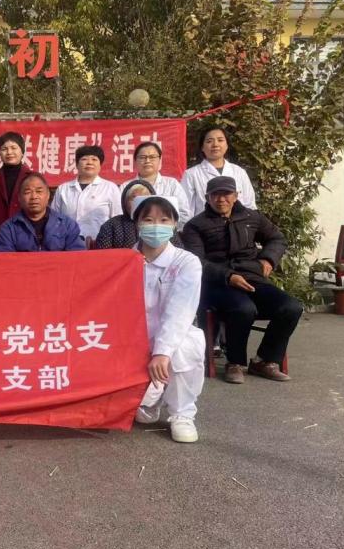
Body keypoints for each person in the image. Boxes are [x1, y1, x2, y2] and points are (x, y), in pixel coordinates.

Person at [181, 176, 302, 384]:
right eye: (215, 195)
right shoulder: (195, 225)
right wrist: (228, 276)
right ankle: (235, 363)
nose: (221, 199)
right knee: (243, 309)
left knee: (291, 307)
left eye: (226, 194)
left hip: (253, 278)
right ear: (207, 198)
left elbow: (277, 238)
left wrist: (268, 259)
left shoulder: (251, 217)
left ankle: (265, 361)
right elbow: (196, 261)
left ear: (236, 196)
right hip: (217, 284)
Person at [129, 196, 204, 443]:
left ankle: (182, 413)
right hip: (133, 337)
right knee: (141, 411)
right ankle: (150, 399)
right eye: (148, 219)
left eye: (163, 220)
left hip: (172, 336)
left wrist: (162, 351)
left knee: (184, 347)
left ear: (174, 224)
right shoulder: (123, 260)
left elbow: (180, 311)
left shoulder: (186, 262)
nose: (155, 226)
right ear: (137, 223)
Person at [0, 173, 85, 252]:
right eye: (28, 192)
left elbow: (77, 258)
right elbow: (5, 262)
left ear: (48, 195)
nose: (34, 197)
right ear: (19, 198)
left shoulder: (67, 225)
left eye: (39, 191)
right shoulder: (8, 229)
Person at [51, 145, 122, 245]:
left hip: (100, 245)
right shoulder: (63, 189)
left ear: (100, 165)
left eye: (94, 159)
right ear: (77, 164)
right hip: (67, 245)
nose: (89, 162)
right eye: (84, 159)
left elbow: (117, 220)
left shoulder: (110, 188)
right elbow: (54, 219)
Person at [181, 126, 256, 217]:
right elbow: (184, 209)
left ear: (227, 145)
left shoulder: (239, 172)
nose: (215, 144)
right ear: (202, 147)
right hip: (205, 224)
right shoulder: (191, 174)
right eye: (209, 141)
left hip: (238, 224)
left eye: (220, 140)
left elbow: (250, 205)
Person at [120, 142, 192, 227]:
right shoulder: (126, 187)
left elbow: (184, 214)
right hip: (132, 233)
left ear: (160, 160)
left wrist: (166, 229)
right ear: (135, 161)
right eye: (142, 157)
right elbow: (120, 214)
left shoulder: (172, 184)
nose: (147, 161)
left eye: (152, 157)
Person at [95, 179, 155, 250]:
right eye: (134, 198)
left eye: (144, 198)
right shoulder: (111, 225)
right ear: (125, 202)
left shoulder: (160, 225)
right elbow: (103, 254)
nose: (139, 203)